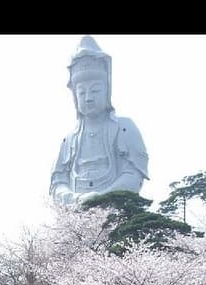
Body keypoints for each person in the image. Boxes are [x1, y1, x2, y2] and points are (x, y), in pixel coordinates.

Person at [49, 35, 148, 206]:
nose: (88, 98)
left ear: (106, 91)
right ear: (75, 97)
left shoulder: (124, 127)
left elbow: (134, 174)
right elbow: (57, 183)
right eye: (82, 92)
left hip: (115, 209)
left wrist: (102, 199)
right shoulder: (69, 140)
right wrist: (75, 199)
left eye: (95, 91)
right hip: (75, 211)